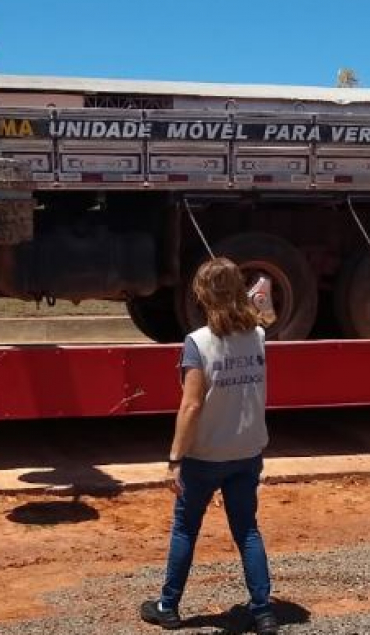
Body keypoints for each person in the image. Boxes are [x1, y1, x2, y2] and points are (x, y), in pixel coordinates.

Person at [140, 258, 278, 634]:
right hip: (247, 451)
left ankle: (168, 606)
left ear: (202, 295)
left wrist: (174, 459)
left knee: (185, 528)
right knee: (247, 530)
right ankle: (263, 611)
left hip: (205, 455)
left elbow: (192, 404)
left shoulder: (198, 343)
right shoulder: (259, 337)